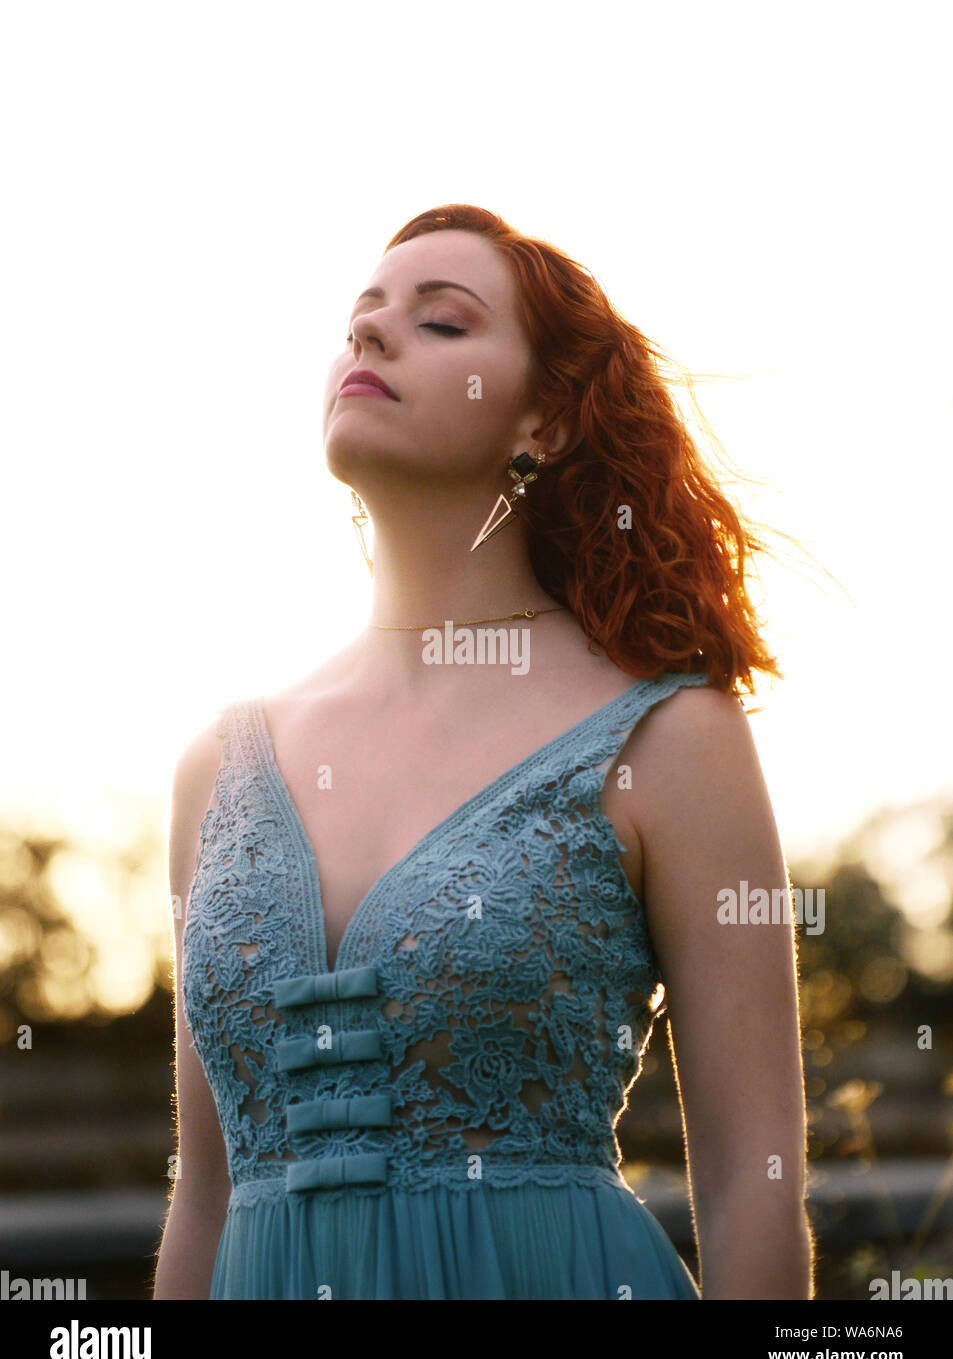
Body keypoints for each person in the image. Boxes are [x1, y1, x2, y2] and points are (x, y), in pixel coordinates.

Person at [154, 204, 814, 1300]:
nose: (367, 337)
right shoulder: (214, 770)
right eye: (359, 318)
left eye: (441, 322)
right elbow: (205, 1198)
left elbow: (754, 1184)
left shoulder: (668, 735)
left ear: (543, 423)